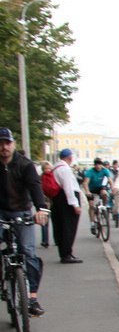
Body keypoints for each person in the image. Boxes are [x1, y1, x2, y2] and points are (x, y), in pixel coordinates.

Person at [0, 127, 49, 316]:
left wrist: (41, 210)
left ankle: (33, 297)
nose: (3, 147)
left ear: (13, 144)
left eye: (7, 143)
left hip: (22, 211)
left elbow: (35, 187)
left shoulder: (25, 165)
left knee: (28, 251)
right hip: (1, 212)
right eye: (0, 143)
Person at [50, 148, 83, 263]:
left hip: (58, 199)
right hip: (67, 200)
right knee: (69, 227)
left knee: (61, 226)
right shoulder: (65, 169)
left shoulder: (55, 167)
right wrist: (75, 205)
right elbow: (69, 188)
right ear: (70, 157)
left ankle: (64, 252)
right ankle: (67, 254)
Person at [84, 157, 114, 235]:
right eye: (96, 165)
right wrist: (87, 191)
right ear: (94, 165)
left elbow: (110, 181)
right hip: (91, 190)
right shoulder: (90, 172)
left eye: (99, 164)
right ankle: (92, 223)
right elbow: (85, 183)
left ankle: (104, 206)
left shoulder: (105, 170)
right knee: (92, 206)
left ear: (101, 165)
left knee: (104, 193)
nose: (98, 166)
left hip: (100, 188)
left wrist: (113, 189)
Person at [39, 161, 56, 248]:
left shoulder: (51, 177)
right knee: (45, 222)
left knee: (54, 222)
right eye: (46, 168)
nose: (48, 170)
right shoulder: (41, 178)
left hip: (52, 201)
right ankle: (45, 240)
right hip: (45, 202)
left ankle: (56, 239)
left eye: (49, 168)